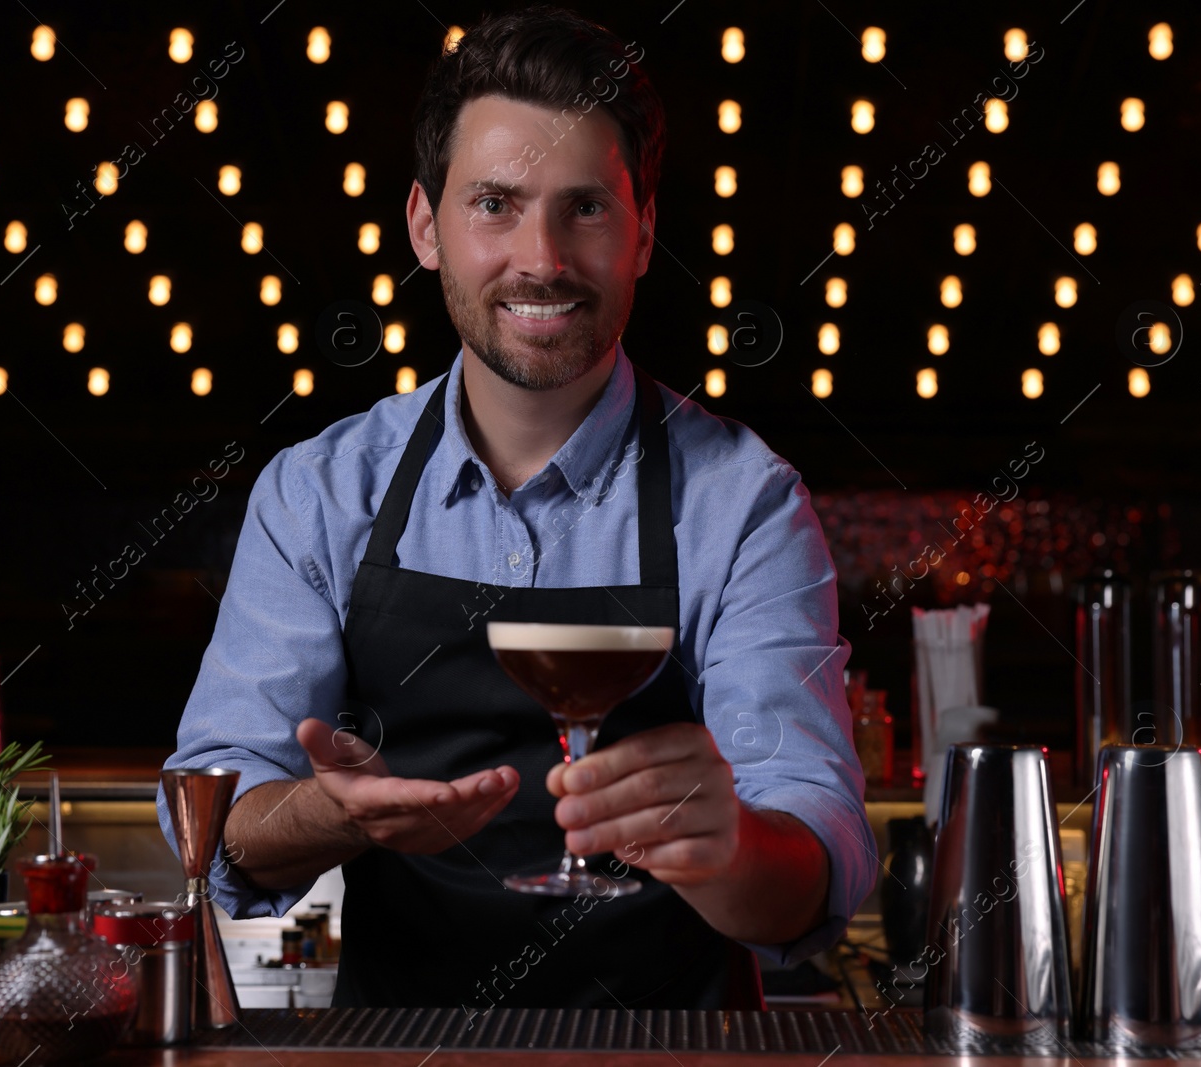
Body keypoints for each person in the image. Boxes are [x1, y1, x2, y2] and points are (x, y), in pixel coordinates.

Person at [158, 4, 872, 1013]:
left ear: (643, 232)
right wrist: (330, 811)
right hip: (396, 1045)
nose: (540, 258)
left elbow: (816, 848)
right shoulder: (319, 490)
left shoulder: (742, 500)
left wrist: (736, 847)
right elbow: (219, 814)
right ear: (423, 226)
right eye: (495, 203)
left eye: (584, 206)